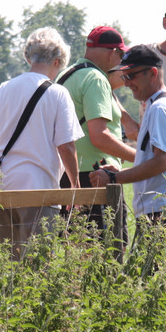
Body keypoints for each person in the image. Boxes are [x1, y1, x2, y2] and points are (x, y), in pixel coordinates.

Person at [0, 27, 83, 259]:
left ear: (29, 58)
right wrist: (75, 186)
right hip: (40, 188)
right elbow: (66, 146)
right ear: (57, 61)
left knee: (12, 261)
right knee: (38, 263)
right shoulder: (58, 93)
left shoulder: (4, 88)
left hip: (4, 188)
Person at [89, 45, 166, 228]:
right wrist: (119, 173)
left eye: (131, 76)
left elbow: (161, 162)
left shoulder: (160, 109)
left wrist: (114, 179)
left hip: (164, 211)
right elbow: (156, 159)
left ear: (152, 73)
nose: (126, 83)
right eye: (124, 76)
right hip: (165, 207)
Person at [58, 26, 138, 234]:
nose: (120, 61)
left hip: (66, 176)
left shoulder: (66, 75)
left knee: (73, 248)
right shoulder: (96, 79)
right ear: (112, 53)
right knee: (109, 248)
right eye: (121, 55)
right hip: (96, 177)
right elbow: (99, 137)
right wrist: (140, 158)